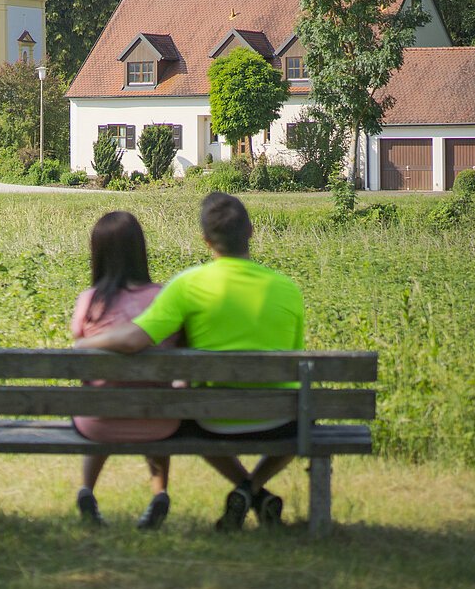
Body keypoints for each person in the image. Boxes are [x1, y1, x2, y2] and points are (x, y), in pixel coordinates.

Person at [74, 192, 304, 532]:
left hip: (215, 420)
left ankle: (248, 490)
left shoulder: (187, 285)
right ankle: (251, 488)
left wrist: (85, 343)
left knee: (187, 418)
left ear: (206, 240)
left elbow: (136, 338)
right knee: (304, 423)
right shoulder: (289, 289)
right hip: (281, 420)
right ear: (251, 232)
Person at [71, 210, 182, 531]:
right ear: (140, 251)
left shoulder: (89, 301)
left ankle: (86, 489)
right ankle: (159, 492)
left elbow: (79, 349)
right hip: (158, 422)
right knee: (154, 399)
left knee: (101, 398)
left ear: (98, 253)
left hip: (98, 424)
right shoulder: (163, 298)